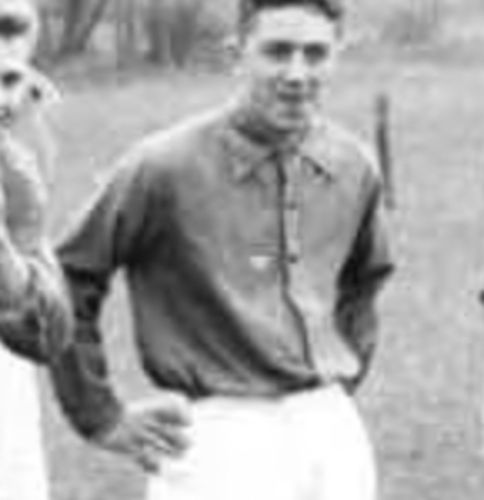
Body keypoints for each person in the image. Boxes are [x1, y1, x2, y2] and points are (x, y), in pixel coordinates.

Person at [54, 1, 394, 499]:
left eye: (315, 54)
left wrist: (340, 380)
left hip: (330, 428)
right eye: (277, 51)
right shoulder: (163, 167)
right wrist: (99, 414)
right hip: (218, 438)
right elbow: (67, 277)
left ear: (336, 57)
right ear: (237, 55)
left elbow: (365, 282)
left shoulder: (353, 166)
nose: (297, 73)